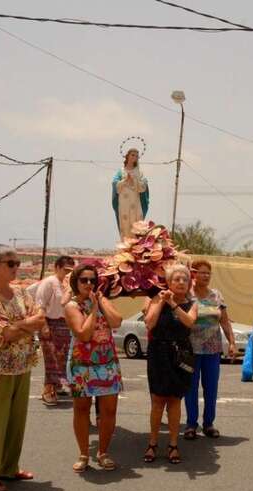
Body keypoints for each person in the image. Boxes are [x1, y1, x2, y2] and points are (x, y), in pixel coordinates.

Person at [0, 244, 45, 491]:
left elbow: (39, 320)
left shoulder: (22, 293)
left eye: (17, 263)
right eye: (10, 263)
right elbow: (7, 332)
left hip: (22, 364)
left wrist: (21, 325)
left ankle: (8, 467)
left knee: (16, 421)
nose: (16, 267)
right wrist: (26, 324)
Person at [64, 264, 123, 472]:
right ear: (75, 282)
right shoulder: (72, 306)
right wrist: (94, 309)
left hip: (107, 363)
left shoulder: (102, 299)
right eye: (84, 280)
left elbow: (116, 322)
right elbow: (84, 334)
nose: (89, 284)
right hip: (82, 365)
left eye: (92, 280)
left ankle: (103, 452)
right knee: (81, 409)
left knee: (109, 410)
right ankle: (83, 453)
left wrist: (100, 303)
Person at [143, 264, 198, 465]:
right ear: (168, 282)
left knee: (175, 401)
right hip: (158, 353)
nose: (181, 282)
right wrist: (161, 302)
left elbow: (189, 322)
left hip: (180, 355)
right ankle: (153, 443)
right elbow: (149, 323)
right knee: (157, 401)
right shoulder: (158, 298)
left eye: (185, 279)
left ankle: (173, 445)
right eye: (176, 279)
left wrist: (174, 304)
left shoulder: (192, 303)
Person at [183, 259, 236, 440]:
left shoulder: (216, 295)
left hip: (212, 350)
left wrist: (232, 342)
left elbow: (225, 321)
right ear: (193, 274)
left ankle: (208, 424)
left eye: (208, 273)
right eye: (201, 272)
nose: (205, 276)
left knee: (211, 388)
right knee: (190, 388)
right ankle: (191, 425)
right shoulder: (187, 295)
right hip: (191, 350)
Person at [36, 255, 76, 406]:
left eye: (70, 270)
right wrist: (44, 325)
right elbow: (40, 305)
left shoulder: (69, 284)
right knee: (51, 359)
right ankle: (48, 390)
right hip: (49, 323)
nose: (67, 273)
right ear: (57, 268)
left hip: (66, 326)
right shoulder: (48, 283)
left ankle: (59, 385)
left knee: (64, 359)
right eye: (65, 269)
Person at [112, 148, 149, 239]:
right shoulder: (121, 171)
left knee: (136, 223)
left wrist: (134, 181)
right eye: (132, 155)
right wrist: (125, 180)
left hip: (136, 202)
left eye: (136, 156)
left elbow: (144, 186)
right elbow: (115, 184)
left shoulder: (139, 172)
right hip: (124, 202)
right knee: (125, 223)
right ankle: (125, 246)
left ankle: (136, 245)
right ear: (127, 156)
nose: (134, 157)